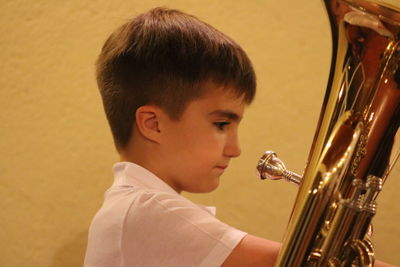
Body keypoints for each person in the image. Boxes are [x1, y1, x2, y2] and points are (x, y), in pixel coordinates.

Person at [84, 7, 395, 267]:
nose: (235, 149)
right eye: (221, 124)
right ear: (153, 124)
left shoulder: (137, 209)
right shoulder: (145, 212)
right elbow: (309, 261)